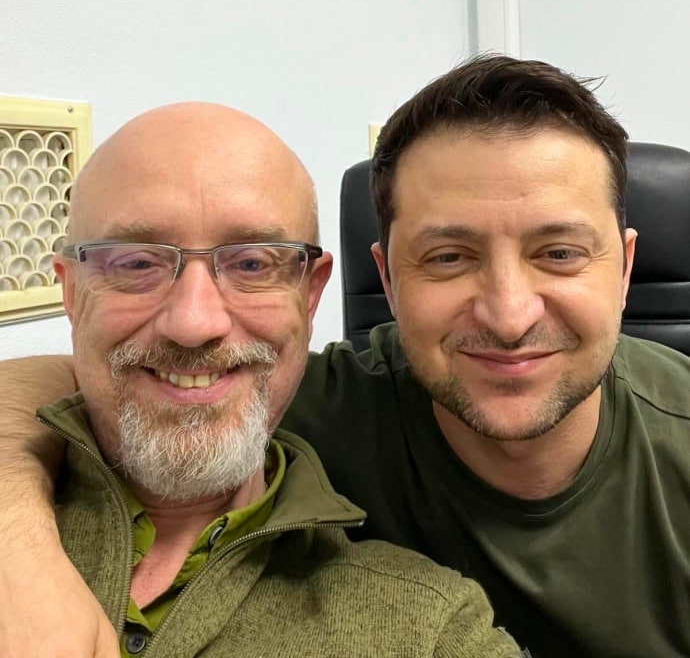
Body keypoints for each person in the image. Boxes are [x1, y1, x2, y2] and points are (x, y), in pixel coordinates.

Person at [3, 53, 690, 656]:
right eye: (448, 258)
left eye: (560, 253)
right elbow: (73, 381)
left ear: (625, 269)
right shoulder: (301, 401)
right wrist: (21, 557)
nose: (510, 316)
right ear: (386, 279)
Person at [0, 101, 522, 658]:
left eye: (251, 264)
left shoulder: (429, 627)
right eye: (136, 263)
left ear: (310, 294)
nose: (194, 323)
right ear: (72, 292)